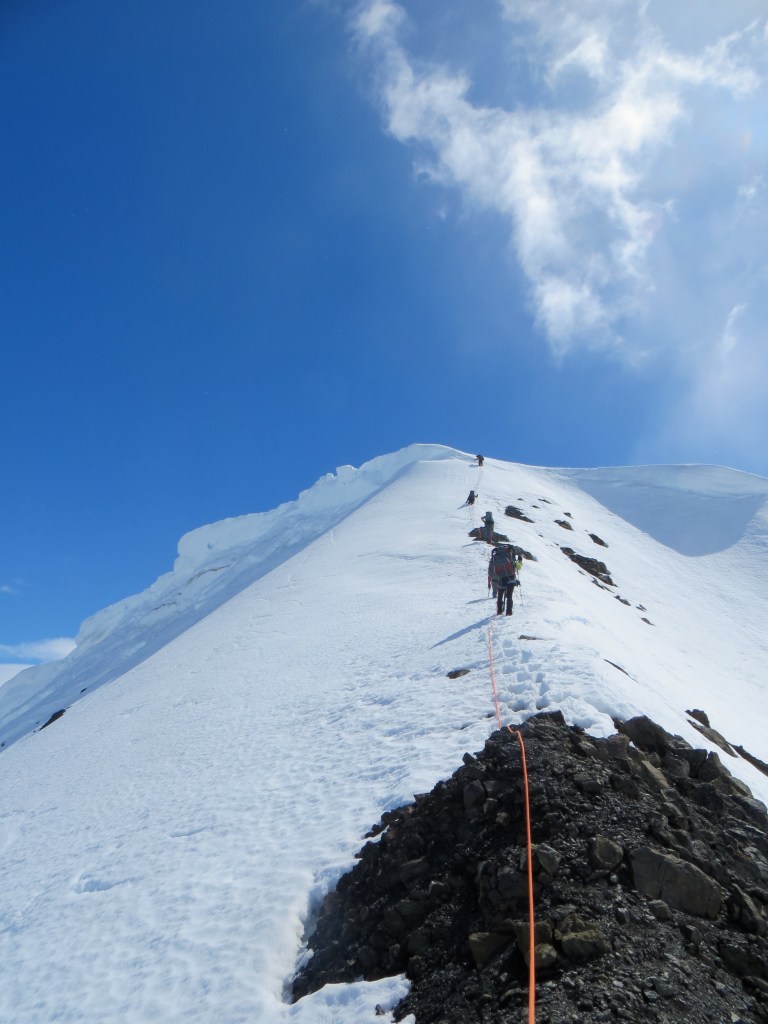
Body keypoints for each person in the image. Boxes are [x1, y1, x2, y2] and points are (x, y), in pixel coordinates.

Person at [488, 544, 522, 615]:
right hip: (511, 577)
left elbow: (491, 569)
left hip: (501, 578)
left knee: (500, 595)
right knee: (509, 595)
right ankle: (509, 612)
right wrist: (520, 561)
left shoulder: (496, 556)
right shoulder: (510, 556)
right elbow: (518, 567)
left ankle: (499, 611)